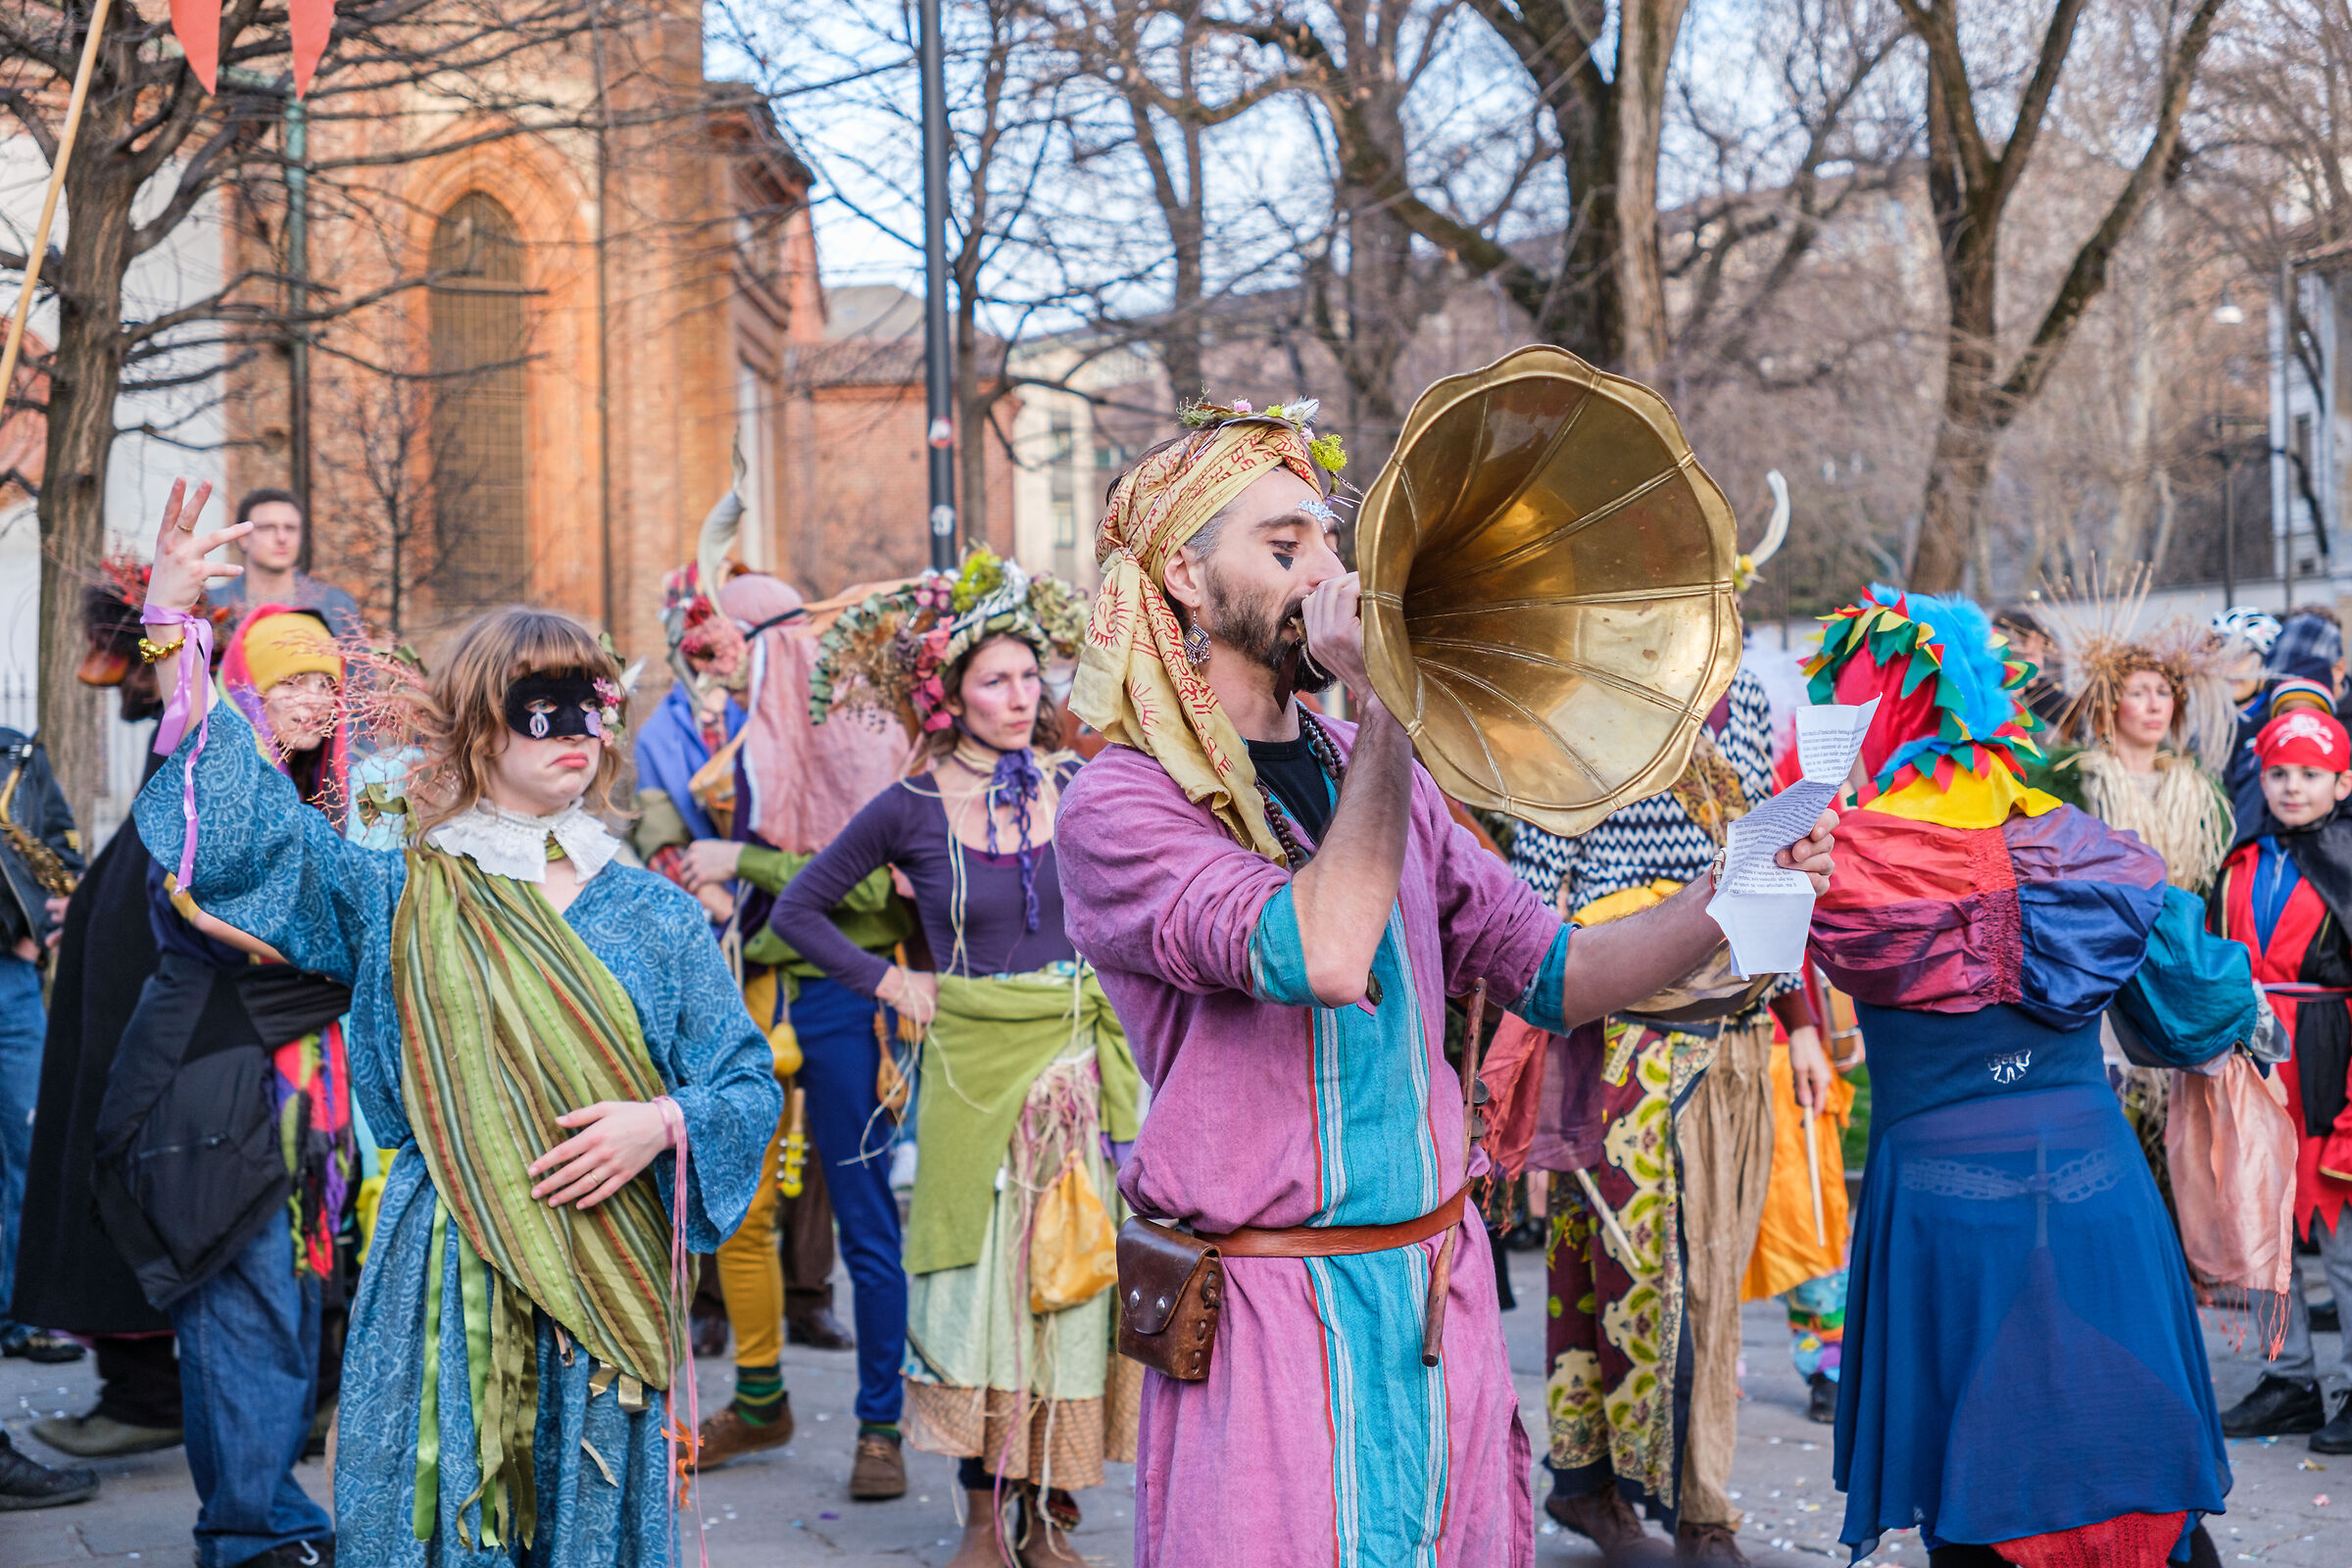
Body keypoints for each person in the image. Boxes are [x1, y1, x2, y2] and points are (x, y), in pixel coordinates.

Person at [1049, 399, 1837, 1568]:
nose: (1333, 572)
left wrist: (1732, 882)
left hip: (1433, 1298)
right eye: (1285, 549)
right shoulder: (1120, 803)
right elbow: (1322, 949)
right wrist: (1389, 710)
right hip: (1271, 1321)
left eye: (1329, 540)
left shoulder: (1374, 768)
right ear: (1180, 576)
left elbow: (1557, 973)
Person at [129, 478, 778, 1565]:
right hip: (441, 1275)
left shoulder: (655, 911)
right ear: (480, 723)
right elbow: (252, 840)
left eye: (592, 704)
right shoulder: (397, 892)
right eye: (544, 706)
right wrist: (174, 638)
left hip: (602, 1278)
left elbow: (744, 1082)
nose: (576, 730)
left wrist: (661, 1122)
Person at [1806, 586, 2236, 1565]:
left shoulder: (1834, 855)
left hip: (1937, 1205)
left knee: (1976, 1481)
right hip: (2094, 1189)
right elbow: (2198, 1006)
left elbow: (1711, 971)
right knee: (2131, 1446)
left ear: (1877, 717)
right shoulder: (2091, 847)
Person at [774, 549, 1122, 1567]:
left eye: (1030, 677)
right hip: (972, 1078)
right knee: (978, 1298)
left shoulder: (1086, 783)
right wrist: (892, 983)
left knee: (1072, 1283)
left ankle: (1050, 1516)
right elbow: (801, 909)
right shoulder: (909, 808)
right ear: (948, 698)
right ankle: (981, 1517)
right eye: (995, 682)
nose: (1022, 698)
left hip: (1076, 1072)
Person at [1506, 667, 1828, 1565]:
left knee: (1709, 1280)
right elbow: (1535, 896)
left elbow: (1771, 858)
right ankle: (1627, 1496)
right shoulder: (1570, 696)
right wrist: (1528, 1047)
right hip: (1621, 1029)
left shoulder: (1753, 703)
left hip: (1735, 1023)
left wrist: (1798, 1018)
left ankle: (1686, 1503)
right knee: (1613, 1270)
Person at [91, 605, 361, 1568]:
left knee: (283, 1312)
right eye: (292, 679)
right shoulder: (217, 769)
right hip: (212, 1084)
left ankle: (268, 1516)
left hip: (284, 1082)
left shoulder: (305, 789)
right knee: (243, 1317)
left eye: (327, 682)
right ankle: (249, 1533)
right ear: (247, 683)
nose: (315, 700)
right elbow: (215, 906)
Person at [671, 569, 911, 1496]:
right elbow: (673, 804)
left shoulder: (864, 730)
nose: (723, 669)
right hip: (759, 991)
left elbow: (867, 883)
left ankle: (880, 1429)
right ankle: (762, 1401)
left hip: (854, 998)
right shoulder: (747, 732)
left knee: (863, 1222)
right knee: (739, 1206)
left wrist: (745, 859)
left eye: (733, 646)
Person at [17, 561, 221, 1466]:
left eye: (135, 664)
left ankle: (160, 1394)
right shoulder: (172, 741)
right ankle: (146, 1390)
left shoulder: (206, 729)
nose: (126, 687)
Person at [2208, 709, 2352, 1453]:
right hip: (2255, 1071)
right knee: (2263, 1232)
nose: (2292, 787)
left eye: (2310, 774)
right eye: (2278, 773)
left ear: (2343, 781)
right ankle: (2289, 1378)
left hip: (2332, 1065)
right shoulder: (2241, 861)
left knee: (2343, 1244)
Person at [0, 697, 84, 1366]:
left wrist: (43, 924)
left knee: (27, 1149)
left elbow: (62, 848)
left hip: (12, 978)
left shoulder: (20, 755)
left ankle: (19, 1315)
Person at [203, 488, 364, 644]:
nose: (282, 538)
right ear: (243, 538)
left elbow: (358, 670)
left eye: (290, 528)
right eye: (268, 528)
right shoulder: (211, 606)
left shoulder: (337, 606)